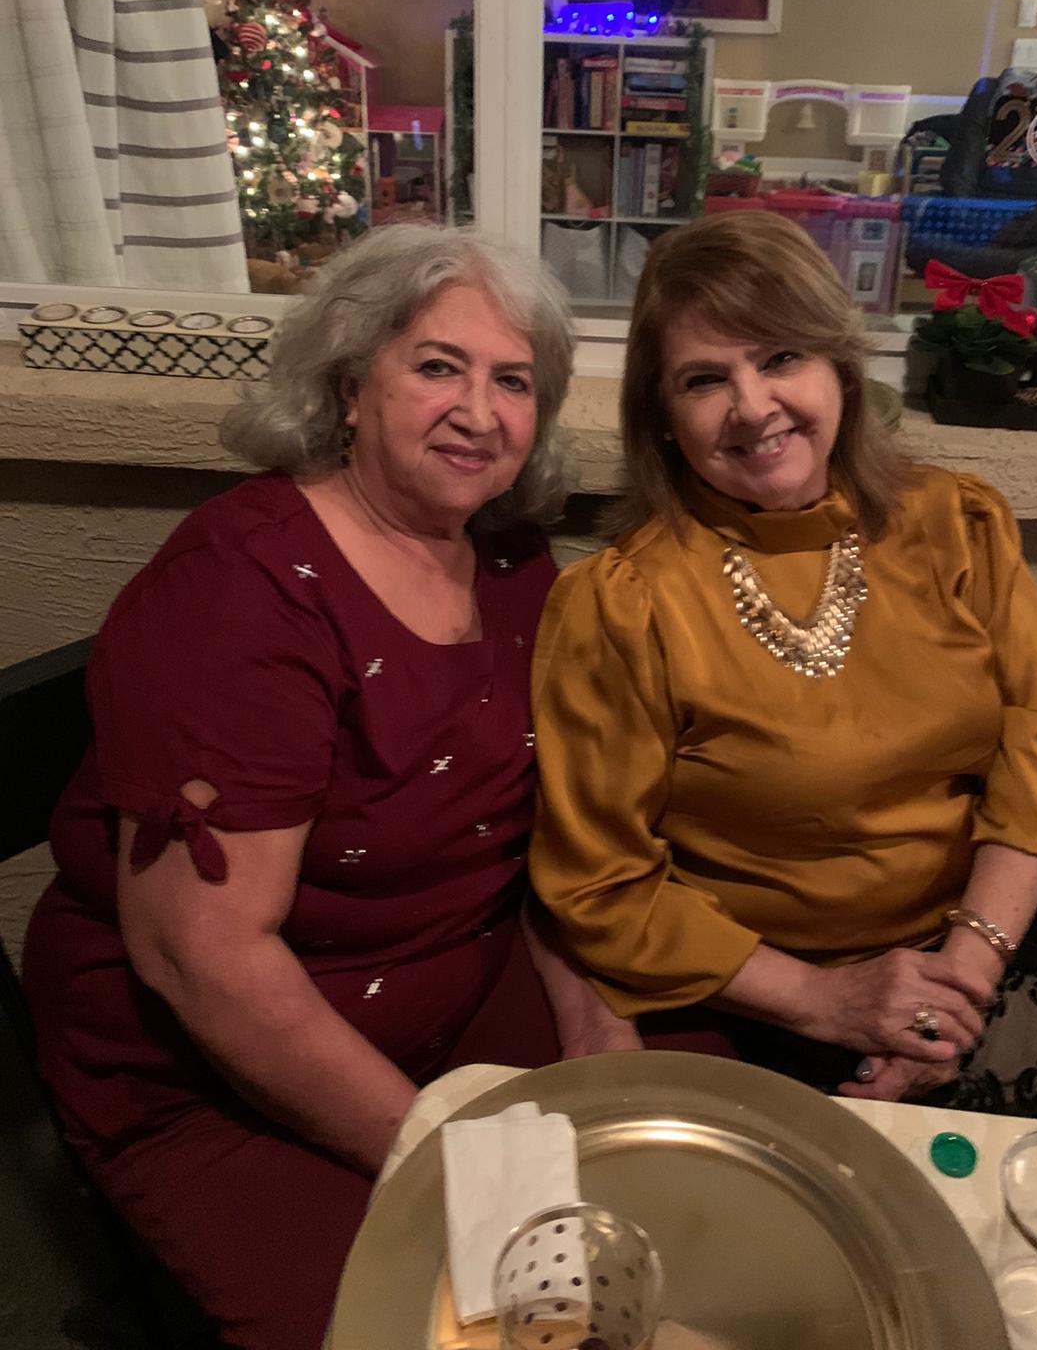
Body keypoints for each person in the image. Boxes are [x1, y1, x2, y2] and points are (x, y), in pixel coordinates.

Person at [22, 226, 637, 1350]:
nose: (480, 410)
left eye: (514, 382)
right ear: (351, 385)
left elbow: (532, 833)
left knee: (679, 1168)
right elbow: (204, 961)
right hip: (213, 1066)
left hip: (453, 978)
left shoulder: (512, 562)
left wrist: (595, 1015)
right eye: (439, 365)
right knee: (432, 1328)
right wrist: (445, 1161)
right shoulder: (241, 593)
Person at [530, 210, 1037, 1126]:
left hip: (980, 935)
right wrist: (829, 1001)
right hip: (771, 990)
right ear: (664, 418)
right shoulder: (623, 604)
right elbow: (602, 888)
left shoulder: (956, 523)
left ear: (839, 368)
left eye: (780, 357)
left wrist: (961, 976)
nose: (753, 406)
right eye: (704, 379)